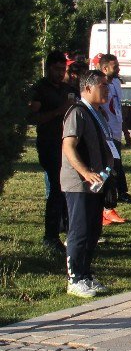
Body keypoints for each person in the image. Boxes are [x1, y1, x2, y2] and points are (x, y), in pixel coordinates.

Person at [61, 70, 116, 297]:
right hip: (79, 184)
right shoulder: (78, 112)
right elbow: (69, 146)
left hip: (97, 183)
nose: (107, 89)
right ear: (87, 88)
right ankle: (74, 279)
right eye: (102, 85)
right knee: (80, 231)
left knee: (93, 230)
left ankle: (86, 275)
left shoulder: (98, 113)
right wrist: (84, 172)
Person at [29, 51, 73, 254]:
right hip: (49, 143)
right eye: (57, 69)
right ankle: (51, 236)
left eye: (63, 70)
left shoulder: (67, 89)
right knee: (56, 188)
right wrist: (57, 111)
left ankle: (68, 229)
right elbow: (33, 117)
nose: (60, 73)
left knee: (66, 189)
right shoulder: (40, 89)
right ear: (48, 68)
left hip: (67, 144)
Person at [97, 53, 131, 208]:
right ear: (105, 68)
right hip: (106, 132)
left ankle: (119, 192)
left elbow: (117, 107)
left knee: (116, 163)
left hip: (117, 130)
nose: (118, 69)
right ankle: (107, 195)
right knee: (110, 165)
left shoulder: (116, 83)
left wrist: (125, 131)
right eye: (115, 66)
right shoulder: (99, 84)